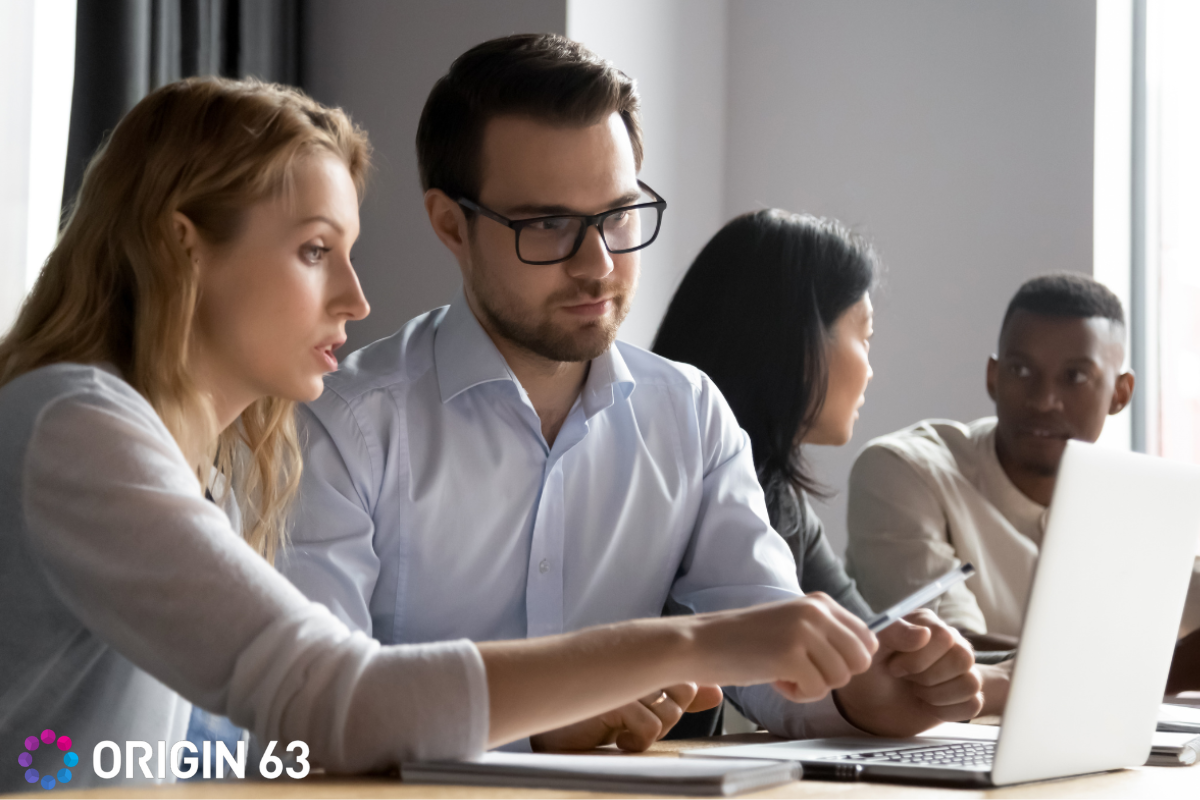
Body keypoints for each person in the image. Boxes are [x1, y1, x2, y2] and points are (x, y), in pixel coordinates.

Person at [0, 77, 887, 794]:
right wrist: (697, 643)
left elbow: (221, 750)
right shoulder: (80, 425)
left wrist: (529, 730)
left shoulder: (211, 461)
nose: (356, 297)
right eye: (315, 251)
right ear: (181, 248)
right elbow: (324, 706)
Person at [281, 33, 982, 753]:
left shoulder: (688, 413)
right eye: (548, 224)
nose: (599, 264)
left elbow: (765, 645)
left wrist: (865, 695)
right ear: (451, 225)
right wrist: (531, 729)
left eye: (617, 216)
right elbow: (313, 714)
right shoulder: (342, 425)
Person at [652, 209, 1011, 727]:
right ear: (793, 339)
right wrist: (1006, 684)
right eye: (863, 334)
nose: (870, 366)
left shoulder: (780, 501)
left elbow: (867, 651)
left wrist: (1003, 672)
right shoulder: (669, 484)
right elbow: (801, 683)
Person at [844, 273, 1138, 650]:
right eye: (1021, 370)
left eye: (1075, 376)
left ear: (1120, 393)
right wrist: (1161, 671)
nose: (1043, 399)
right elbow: (947, 653)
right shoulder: (903, 471)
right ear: (993, 377)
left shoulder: (1141, 506)